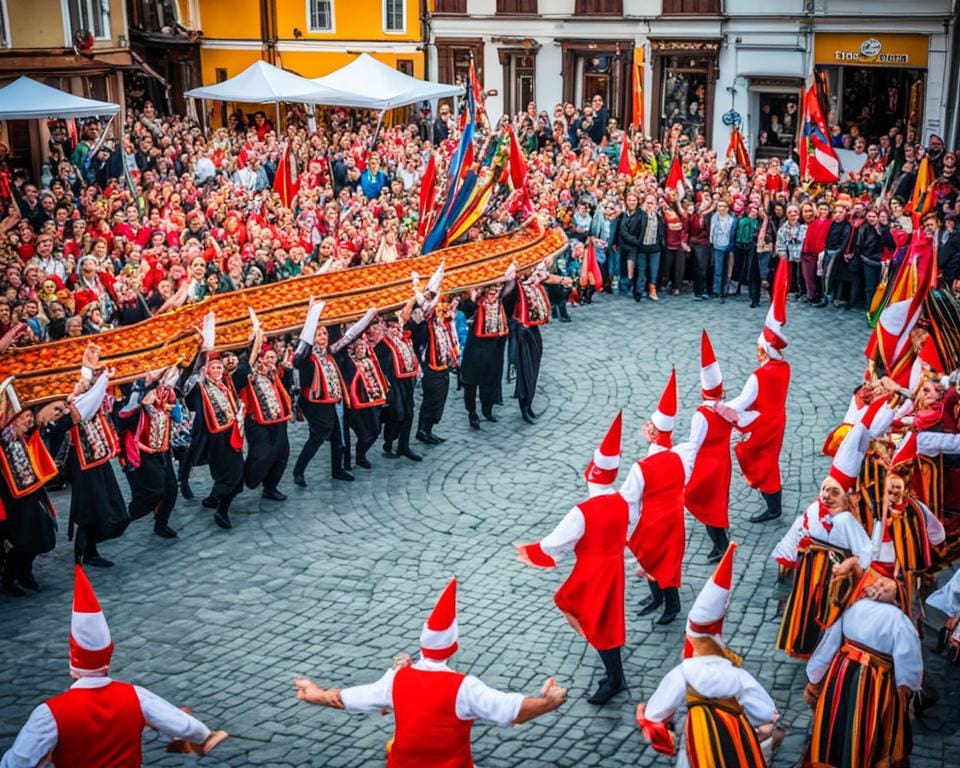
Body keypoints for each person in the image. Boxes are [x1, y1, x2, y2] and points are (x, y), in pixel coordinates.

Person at [293, 579, 568, 766]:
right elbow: (511, 710)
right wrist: (550, 702)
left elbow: (349, 698)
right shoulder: (464, 687)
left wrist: (315, 693)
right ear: (453, 646)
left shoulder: (397, 677)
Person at [0, 565, 228, 767]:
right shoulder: (135, 696)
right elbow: (188, 727)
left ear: (73, 665)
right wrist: (204, 736)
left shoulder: (49, 713)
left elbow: (17, 762)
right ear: (107, 660)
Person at [516, 413, 629, 705]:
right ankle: (614, 674)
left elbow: (557, 541)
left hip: (593, 571)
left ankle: (616, 679)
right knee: (604, 620)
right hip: (612, 567)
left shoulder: (584, 511)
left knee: (596, 621)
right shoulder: (620, 501)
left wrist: (533, 550)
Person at [637, 544, 781, 767]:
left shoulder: (684, 672)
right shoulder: (735, 673)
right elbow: (765, 712)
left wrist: (653, 719)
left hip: (700, 732)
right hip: (735, 729)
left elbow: (657, 712)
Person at [773, 416, 876, 659]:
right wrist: (786, 555)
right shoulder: (814, 510)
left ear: (846, 498)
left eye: (834, 492)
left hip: (833, 575)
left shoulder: (847, 521)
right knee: (806, 608)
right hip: (809, 572)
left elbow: (866, 550)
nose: (827, 496)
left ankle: (827, 651)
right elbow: (798, 530)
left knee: (828, 612)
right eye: (824, 490)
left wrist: (852, 563)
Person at [804, 560, 922, 768]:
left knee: (836, 720)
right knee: (867, 726)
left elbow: (829, 644)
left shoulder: (854, 608)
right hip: (876, 683)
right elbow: (908, 660)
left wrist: (814, 679)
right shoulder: (899, 621)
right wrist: (906, 689)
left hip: (841, 673)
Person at [50, 347, 129, 568]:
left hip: (99, 457)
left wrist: (92, 369)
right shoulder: (68, 408)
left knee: (111, 509)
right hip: (82, 462)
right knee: (90, 508)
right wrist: (85, 374)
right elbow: (81, 395)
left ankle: (90, 548)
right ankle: (83, 552)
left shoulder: (93, 400)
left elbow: (93, 391)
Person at [728, 259, 791, 523]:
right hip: (777, 420)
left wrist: (719, 408)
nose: (756, 352)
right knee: (769, 460)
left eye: (759, 348)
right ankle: (773, 505)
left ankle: (773, 507)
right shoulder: (784, 367)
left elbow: (743, 401)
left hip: (763, 423)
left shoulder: (759, 376)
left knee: (757, 459)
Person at [620, 438, 698, 626]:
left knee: (652, 560)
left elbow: (629, 499)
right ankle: (661, 598)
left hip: (650, 522)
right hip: (673, 518)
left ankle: (671, 603)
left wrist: (628, 528)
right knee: (667, 561)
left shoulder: (641, 467)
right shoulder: (680, 455)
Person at [183, 318, 244, 530]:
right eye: (214, 367)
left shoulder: (226, 385)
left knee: (236, 479)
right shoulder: (200, 387)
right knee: (232, 478)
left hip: (232, 434)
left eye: (219, 367)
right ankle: (221, 512)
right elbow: (196, 370)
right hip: (217, 438)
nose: (217, 370)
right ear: (207, 370)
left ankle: (212, 499)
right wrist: (203, 348)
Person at [0, 378, 57, 596]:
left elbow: (39, 419)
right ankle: (10, 580)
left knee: (39, 535)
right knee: (18, 542)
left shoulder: (24, 437)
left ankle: (26, 573)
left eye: (28, 417)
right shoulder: (3, 440)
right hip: (10, 501)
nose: (28, 421)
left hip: (31, 494)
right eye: (23, 418)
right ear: (12, 420)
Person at [685, 330, 738, 563]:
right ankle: (720, 539)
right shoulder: (725, 410)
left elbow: (694, 445)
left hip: (706, 465)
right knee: (717, 502)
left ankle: (721, 545)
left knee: (706, 504)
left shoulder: (701, 415)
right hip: (722, 462)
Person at [291, 300, 354, 487]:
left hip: (330, 400)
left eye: (324, 333)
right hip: (313, 402)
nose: (323, 337)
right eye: (318, 334)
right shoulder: (306, 357)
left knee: (336, 433)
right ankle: (299, 471)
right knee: (319, 434)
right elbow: (302, 349)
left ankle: (337, 469)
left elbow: (350, 335)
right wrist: (311, 318)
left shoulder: (329, 354)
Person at [117, 368, 181, 539]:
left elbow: (179, 371)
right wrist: (142, 399)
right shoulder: (132, 405)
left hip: (163, 450)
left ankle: (161, 523)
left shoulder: (165, 394)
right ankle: (123, 519)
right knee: (153, 493)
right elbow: (123, 418)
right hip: (142, 453)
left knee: (171, 489)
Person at [236, 323, 292, 502]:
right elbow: (246, 366)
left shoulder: (276, 374)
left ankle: (270, 487)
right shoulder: (250, 374)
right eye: (267, 357)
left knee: (282, 454)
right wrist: (255, 342)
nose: (270, 360)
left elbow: (287, 392)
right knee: (263, 453)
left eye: (273, 357)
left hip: (278, 421)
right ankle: (244, 478)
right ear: (260, 359)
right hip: (257, 422)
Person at [406, 267, 459, 445]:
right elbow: (412, 330)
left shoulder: (443, 320)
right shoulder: (423, 323)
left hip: (442, 364)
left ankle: (428, 429)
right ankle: (422, 429)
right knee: (431, 399)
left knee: (440, 400)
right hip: (430, 365)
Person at [459, 266, 515, 428]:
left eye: (496, 293)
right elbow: (468, 303)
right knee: (471, 382)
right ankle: (472, 412)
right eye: (491, 293)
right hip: (476, 348)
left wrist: (511, 271)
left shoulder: (499, 303)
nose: (494, 296)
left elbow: (510, 286)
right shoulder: (476, 305)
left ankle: (487, 409)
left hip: (493, 347)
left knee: (490, 379)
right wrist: (472, 292)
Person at [374, 312, 422, 462]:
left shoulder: (405, 341)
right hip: (393, 384)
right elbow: (382, 368)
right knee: (396, 413)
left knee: (409, 413)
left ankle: (404, 445)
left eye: (397, 327)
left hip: (407, 381)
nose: (395, 330)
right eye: (392, 328)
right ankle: (388, 443)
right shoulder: (383, 345)